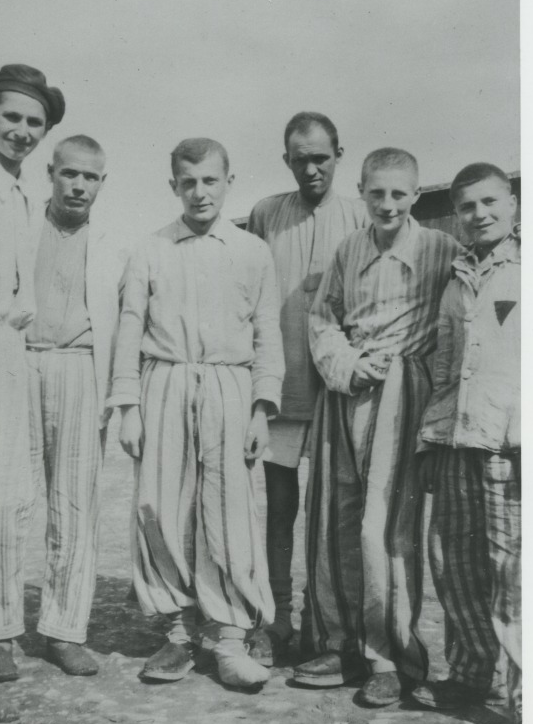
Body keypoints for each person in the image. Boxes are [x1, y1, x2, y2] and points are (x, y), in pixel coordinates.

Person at [109, 138, 284, 689]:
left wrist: (262, 408)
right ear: (174, 186)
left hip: (231, 387)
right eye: (189, 182)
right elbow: (129, 329)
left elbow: (266, 332)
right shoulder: (151, 249)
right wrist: (129, 407)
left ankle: (230, 636)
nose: (200, 192)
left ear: (229, 181)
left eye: (211, 180)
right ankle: (180, 632)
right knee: (160, 505)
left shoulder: (252, 250)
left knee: (229, 510)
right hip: (165, 381)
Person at [296, 147, 460, 703]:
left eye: (399, 194)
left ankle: (390, 657)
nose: (387, 204)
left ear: (415, 195)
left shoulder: (442, 250)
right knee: (333, 519)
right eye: (376, 193)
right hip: (346, 393)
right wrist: (346, 365)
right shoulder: (348, 248)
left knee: (383, 528)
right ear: (362, 192)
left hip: (404, 394)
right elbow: (322, 318)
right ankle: (337, 643)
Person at [246, 112, 365, 663]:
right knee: (278, 510)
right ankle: (276, 622)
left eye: (321, 156)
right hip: (282, 390)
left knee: (336, 514)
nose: (311, 167)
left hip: (339, 396)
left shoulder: (362, 217)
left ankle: (331, 629)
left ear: (339, 153)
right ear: (286, 158)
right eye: (300, 157)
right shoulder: (267, 214)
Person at [411, 164, 521, 724]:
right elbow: (445, 367)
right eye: (468, 207)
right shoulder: (456, 279)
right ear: (456, 215)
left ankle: (529, 706)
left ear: (513, 204)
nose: (480, 214)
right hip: (456, 441)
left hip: (510, 448)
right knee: (456, 566)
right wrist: (430, 437)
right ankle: (473, 674)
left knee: (516, 579)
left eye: (490, 202)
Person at [0, 63, 65, 724]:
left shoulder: (21, 192)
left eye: (34, 122)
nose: (22, 131)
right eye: (12, 117)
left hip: (0, 354)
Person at [20, 135, 123, 677]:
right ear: (51, 174)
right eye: (70, 174)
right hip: (21, 363)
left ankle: (63, 630)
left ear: (102, 183)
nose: (79, 185)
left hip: (82, 368)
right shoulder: (19, 227)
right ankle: (0, 631)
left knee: (75, 505)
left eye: (91, 177)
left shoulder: (111, 242)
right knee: (10, 502)